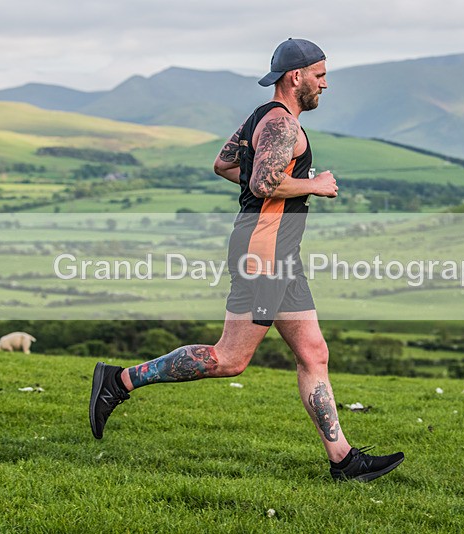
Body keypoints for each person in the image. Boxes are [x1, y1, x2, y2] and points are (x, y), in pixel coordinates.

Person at [89, 38, 404, 482]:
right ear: (296, 77)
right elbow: (262, 183)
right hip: (264, 254)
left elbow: (223, 164)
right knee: (229, 359)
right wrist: (314, 185)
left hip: (280, 252)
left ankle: (344, 461)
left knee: (314, 353)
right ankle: (118, 382)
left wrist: (274, 183)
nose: (325, 84)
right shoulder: (281, 126)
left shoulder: (263, 116)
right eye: (320, 75)